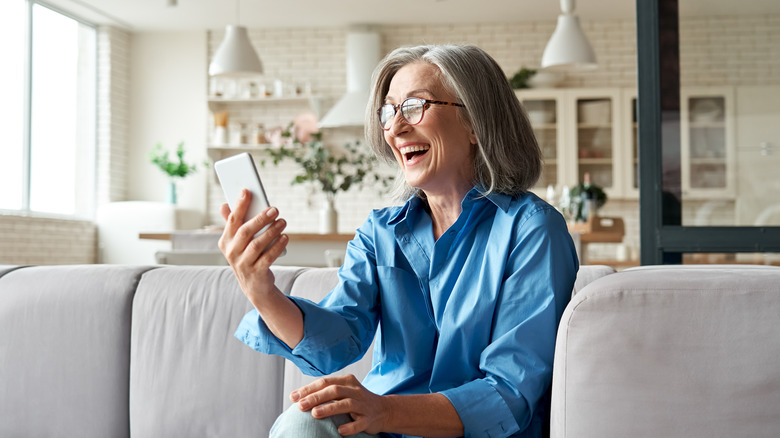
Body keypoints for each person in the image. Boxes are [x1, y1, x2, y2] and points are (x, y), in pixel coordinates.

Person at [218, 44, 579, 438]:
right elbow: (335, 342)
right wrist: (262, 291)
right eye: (389, 111)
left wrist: (385, 410)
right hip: (384, 427)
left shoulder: (532, 230)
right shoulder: (381, 232)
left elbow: (510, 393)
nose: (394, 127)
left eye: (413, 107)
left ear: (476, 122)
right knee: (302, 421)